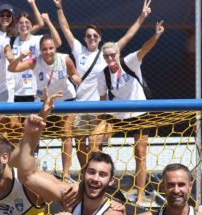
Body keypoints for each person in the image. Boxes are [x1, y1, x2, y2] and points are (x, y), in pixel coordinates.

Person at [53, 0, 151, 170]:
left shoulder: (107, 52)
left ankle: (99, 175)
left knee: (96, 144)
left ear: (100, 37)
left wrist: (142, 17)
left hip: (99, 107)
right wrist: (59, 8)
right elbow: (66, 30)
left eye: (95, 35)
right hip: (80, 106)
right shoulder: (78, 50)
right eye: (88, 35)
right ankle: (86, 174)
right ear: (84, 38)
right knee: (80, 145)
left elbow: (129, 35)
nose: (92, 38)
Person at [92, 21, 165, 206]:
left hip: (139, 113)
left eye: (112, 55)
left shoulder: (129, 62)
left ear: (118, 54)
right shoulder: (102, 75)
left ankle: (139, 195)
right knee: (94, 141)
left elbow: (144, 49)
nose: (110, 58)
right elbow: (102, 101)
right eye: (106, 56)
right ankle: (104, 182)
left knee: (140, 152)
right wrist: (102, 122)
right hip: (117, 115)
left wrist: (156, 36)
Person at [9, 34, 79, 179]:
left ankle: (66, 174)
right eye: (44, 49)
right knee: (35, 132)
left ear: (55, 48)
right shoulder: (35, 61)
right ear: (40, 50)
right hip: (44, 100)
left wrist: (76, 79)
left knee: (66, 133)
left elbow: (75, 75)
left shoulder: (64, 59)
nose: (48, 52)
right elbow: (12, 68)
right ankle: (32, 168)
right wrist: (20, 57)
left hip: (65, 98)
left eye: (51, 48)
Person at [9, 5, 61, 103]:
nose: (24, 25)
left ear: (32, 25)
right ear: (16, 26)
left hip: (36, 89)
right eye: (20, 23)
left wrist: (48, 22)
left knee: (37, 117)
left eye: (27, 22)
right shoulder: (12, 41)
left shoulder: (38, 40)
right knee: (18, 118)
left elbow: (57, 43)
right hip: (17, 90)